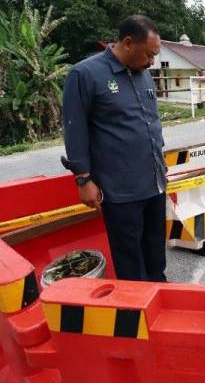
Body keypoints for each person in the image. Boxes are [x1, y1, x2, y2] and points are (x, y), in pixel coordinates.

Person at [62, 14, 167, 282]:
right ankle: (135, 305)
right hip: (120, 189)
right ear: (128, 43)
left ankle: (160, 291)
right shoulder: (85, 74)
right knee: (129, 254)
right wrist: (83, 178)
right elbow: (75, 130)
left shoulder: (143, 74)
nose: (152, 62)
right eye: (148, 55)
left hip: (154, 182)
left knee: (156, 248)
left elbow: (150, 123)